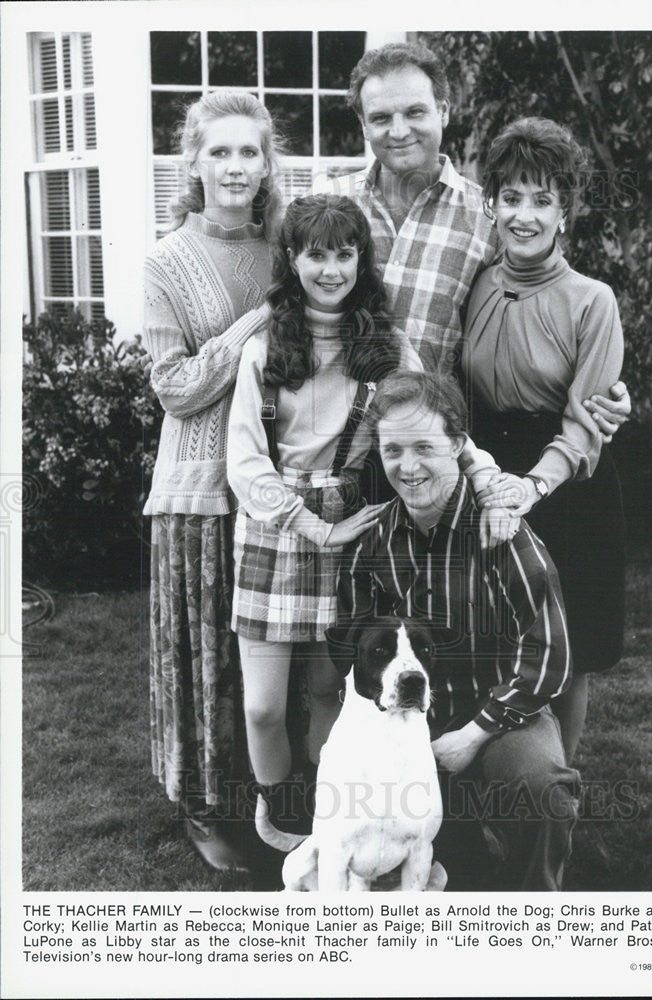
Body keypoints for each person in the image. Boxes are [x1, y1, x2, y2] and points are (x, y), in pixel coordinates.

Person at [226, 195, 507, 841]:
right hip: (275, 527)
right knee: (264, 707)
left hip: (353, 530)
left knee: (331, 693)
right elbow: (242, 460)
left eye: (343, 254)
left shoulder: (386, 345)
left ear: (361, 259)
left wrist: (488, 478)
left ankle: (332, 816)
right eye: (315, 254)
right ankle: (277, 812)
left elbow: (436, 424)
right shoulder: (263, 346)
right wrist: (306, 523)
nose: (330, 270)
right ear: (291, 260)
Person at [334, 371, 580, 891]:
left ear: (459, 447)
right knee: (430, 863)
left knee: (543, 791)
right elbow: (350, 651)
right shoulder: (372, 543)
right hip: (407, 721)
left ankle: (531, 911)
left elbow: (551, 652)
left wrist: (474, 735)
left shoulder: (502, 530)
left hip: (498, 714)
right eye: (393, 449)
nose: (408, 466)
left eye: (425, 446)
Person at [322, 40, 629, 443]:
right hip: (328, 443)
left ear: (444, 111)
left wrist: (600, 390)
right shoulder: (329, 207)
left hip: (433, 450)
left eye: (415, 112)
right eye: (381, 117)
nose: (398, 131)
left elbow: (542, 316)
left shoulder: (488, 219)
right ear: (363, 125)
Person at [142, 91, 281, 870]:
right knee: (199, 659)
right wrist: (249, 325)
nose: (235, 167)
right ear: (192, 163)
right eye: (219, 152)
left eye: (249, 152)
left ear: (267, 166)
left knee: (260, 661)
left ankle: (269, 798)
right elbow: (175, 387)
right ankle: (200, 806)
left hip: (265, 486)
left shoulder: (282, 254)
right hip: (195, 495)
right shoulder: (163, 261)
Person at [463, 116, 627, 762]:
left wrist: (531, 486)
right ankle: (496, 787)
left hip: (568, 489)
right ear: (491, 205)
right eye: (510, 198)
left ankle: (556, 794)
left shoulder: (592, 301)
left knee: (568, 650)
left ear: (566, 213)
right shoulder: (474, 284)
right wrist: (489, 483)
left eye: (542, 200)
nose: (523, 216)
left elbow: (586, 425)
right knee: (498, 641)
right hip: (488, 476)